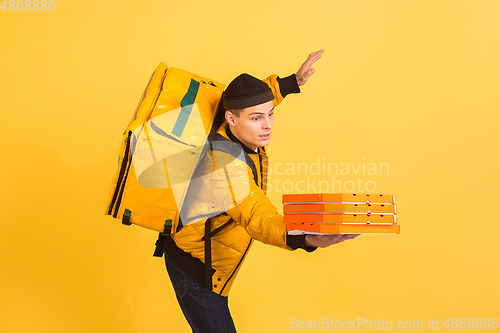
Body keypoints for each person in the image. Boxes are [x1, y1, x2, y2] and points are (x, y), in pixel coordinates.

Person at [161, 50, 359, 332]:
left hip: (207, 256)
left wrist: (292, 83)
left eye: (271, 114)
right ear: (231, 118)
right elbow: (258, 217)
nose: (267, 125)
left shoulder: (233, 120)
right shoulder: (224, 168)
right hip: (196, 268)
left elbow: (257, 100)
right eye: (257, 118)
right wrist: (306, 237)